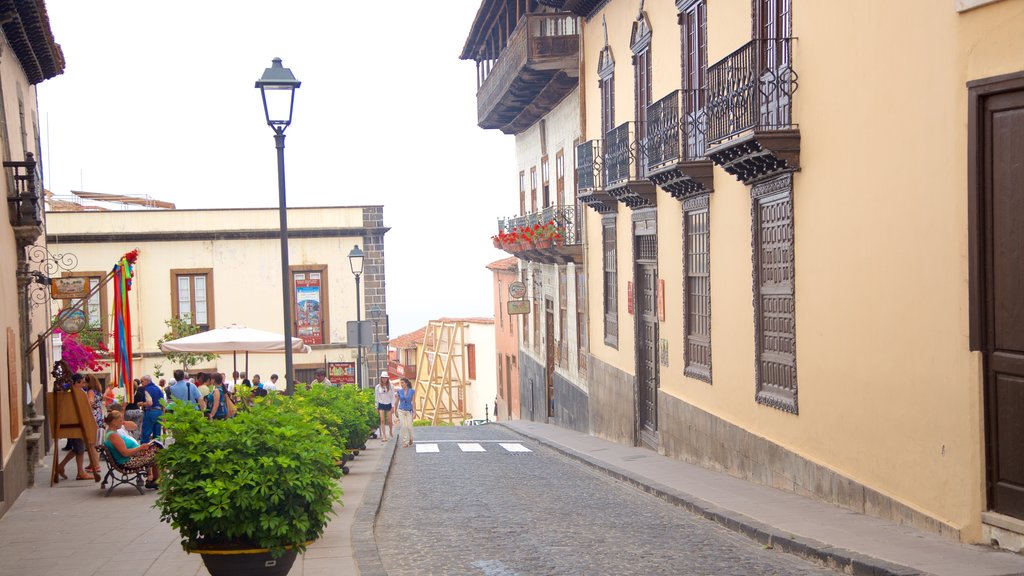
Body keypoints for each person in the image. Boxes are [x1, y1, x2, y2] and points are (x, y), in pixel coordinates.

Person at [56, 374, 101, 482]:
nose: (84, 384)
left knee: (77, 449)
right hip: (77, 423)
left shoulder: (74, 393)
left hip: (76, 423)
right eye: (82, 382)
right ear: (76, 383)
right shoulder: (76, 394)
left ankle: (61, 466)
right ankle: (80, 472)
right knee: (79, 448)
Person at [102, 410, 161, 490]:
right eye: (120, 420)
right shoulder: (113, 435)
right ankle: (156, 480)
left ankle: (155, 479)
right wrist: (140, 447)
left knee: (156, 448)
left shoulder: (111, 433)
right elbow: (125, 453)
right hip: (127, 462)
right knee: (157, 451)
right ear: (113, 422)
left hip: (128, 460)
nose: (122, 422)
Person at [138, 375, 165, 443]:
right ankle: (157, 450)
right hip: (159, 412)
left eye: (142, 381)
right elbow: (163, 403)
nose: (141, 383)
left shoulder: (147, 389)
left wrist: (142, 404)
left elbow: (150, 403)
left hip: (151, 412)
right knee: (157, 434)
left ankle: (144, 451)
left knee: (146, 433)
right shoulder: (158, 389)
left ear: (147, 381)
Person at [395, 378, 416, 448]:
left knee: (409, 426)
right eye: (400, 383)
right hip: (401, 410)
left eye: (403, 383)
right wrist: (395, 411)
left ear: (406, 383)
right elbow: (397, 401)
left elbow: (413, 402)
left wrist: (414, 412)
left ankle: (411, 438)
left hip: (409, 411)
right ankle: (405, 442)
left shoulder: (412, 391)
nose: (401, 384)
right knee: (403, 426)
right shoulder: (399, 391)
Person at [374, 372, 394, 442]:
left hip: (388, 404)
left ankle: (391, 431)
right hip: (381, 404)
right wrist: (376, 406)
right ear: (381, 378)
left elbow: (393, 396)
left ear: (387, 378)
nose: (384, 379)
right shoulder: (377, 387)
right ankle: (384, 436)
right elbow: (376, 397)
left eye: (385, 378)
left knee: (390, 421)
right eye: (383, 378)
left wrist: (393, 406)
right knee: (382, 420)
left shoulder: (391, 386)